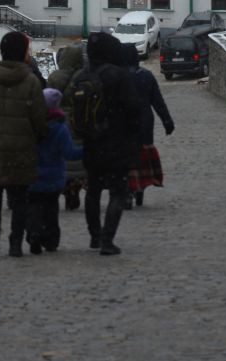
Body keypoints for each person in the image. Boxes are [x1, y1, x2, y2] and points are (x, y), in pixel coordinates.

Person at [0, 31, 48, 257]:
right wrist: (39, 138)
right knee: (19, 197)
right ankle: (15, 243)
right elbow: (39, 118)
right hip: (22, 147)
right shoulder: (31, 81)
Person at [80, 31, 140, 256]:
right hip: (117, 142)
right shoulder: (119, 75)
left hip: (91, 141)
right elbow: (134, 108)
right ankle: (107, 239)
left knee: (93, 190)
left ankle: (94, 236)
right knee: (117, 191)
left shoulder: (82, 75)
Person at [26, 88, 83, 254]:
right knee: (51, 210)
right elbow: (69, 153)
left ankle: (34, 234)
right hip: (54, 177)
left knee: (34, 207)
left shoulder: (31, 123)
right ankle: (51, 240)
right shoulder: (60, 127)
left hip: (32, 175)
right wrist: (87, 149)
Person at [121, 44, 174, 207]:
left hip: (123, 124)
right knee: (142, 156)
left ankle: (127, 190)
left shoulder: (118, 77)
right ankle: (140, 189)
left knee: (125, 158)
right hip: (144, 122)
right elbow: (158, 102)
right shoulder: (146, 76)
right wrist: (167, 121)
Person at [48, 43, 88, 210]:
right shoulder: (84, 76)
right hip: (78, 121)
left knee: (62, 156)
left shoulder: (55, 77)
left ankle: (66, 189)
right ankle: (77, 186)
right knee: (78, 155)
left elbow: (48, 99)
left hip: (60, 121)